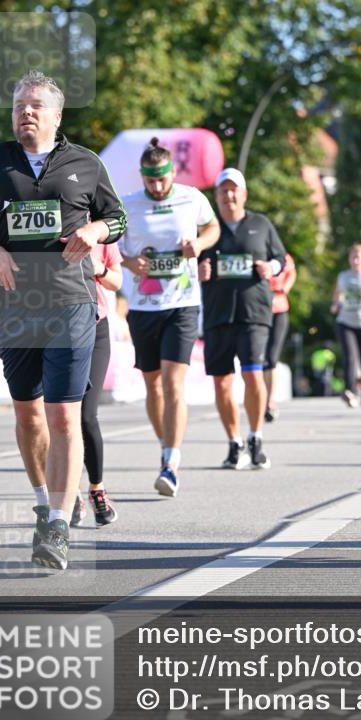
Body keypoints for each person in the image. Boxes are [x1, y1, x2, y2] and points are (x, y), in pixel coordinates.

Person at [0, 70, 127, 570]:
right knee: (29, 414)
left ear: (56, 115)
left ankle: (58, 526)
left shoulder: (85, 163)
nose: (25, 112)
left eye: (35, 105)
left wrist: (94, 231)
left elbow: (118, 219)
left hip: (71, 303)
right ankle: (45, 499)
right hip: (14, 307)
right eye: (18, 105)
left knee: (64, 414)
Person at [120, 138, 220, 497]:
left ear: (173, 173)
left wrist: (199, 245)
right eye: (150, 180)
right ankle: (167, 444)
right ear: (142, 176)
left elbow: (212, 227)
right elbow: (111, 247)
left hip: (182, 303)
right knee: (153, 385)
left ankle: (170, 463)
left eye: (162, 179)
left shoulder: (192, 198)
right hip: (144, 306)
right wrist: (129, 262)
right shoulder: (128, 204)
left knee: (174, 383)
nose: (157, 186)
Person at [198, 168, 285, 470]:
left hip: (254, 313)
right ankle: (234, 442)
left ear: (244, 194)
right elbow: (190, 259)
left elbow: (281, 258)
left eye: (234, 190)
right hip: (218, 314)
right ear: (216, 196)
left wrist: (271, 268)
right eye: (223, 191)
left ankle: (255, 438)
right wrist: (198, 270)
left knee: (253, 375)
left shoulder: (261, 224)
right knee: (222, 383)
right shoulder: (207, 229)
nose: (229, 196)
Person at [70, 241, 123, 528]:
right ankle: (70, 493)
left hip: (95, 325)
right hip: (56, 326)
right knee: (60, 417)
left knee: (86, 415)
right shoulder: (52, 226)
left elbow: (117, 281)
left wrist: (98, 268)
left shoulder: (102, 232)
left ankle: (97, 489)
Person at [331, 244, 361, 408]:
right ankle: (350, 391)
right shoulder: (343, 276)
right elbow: (337, 294)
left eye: (359, 257)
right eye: (353, 257)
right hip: (346, 321)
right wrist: (336, 303)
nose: (355, 260)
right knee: (350, 357)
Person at [264, 251, 296, 422]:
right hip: (258, 311)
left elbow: (291, 273)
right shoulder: (256, 252)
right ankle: (260, 398)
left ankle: (270, 401)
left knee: (271, 357)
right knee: (258, 358)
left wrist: (284, 288)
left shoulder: (283, 256)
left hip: (279, 310)